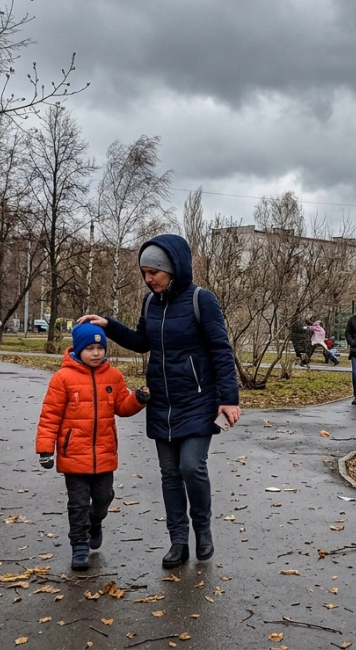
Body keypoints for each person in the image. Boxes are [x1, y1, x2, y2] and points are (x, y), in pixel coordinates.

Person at [75, 234, 240, 569]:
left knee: (191, 467)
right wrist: (109, 326)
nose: (149, 279)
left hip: (197, 400)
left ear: (173, 269)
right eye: (145, 273)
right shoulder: (151, 303)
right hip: (163, 403)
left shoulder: (201, 300)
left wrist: (229, 399)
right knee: (169, 474)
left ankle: (202, 530)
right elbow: (140, 342)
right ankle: (178, 541)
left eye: (155, 272)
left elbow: (222, 351)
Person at [36, 323, 149, 571]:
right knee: (77, 504)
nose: (96, 353)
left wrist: (138, 400)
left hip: (104, 452)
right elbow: (50, 415)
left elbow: (122, 407)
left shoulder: (114, 376)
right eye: (90, 348)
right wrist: (45, 449)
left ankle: (95, 522)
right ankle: (79, 545)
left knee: (103, 497)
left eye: (100, 347)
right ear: (78, 349)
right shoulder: (63, 378)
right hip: (73, 454)